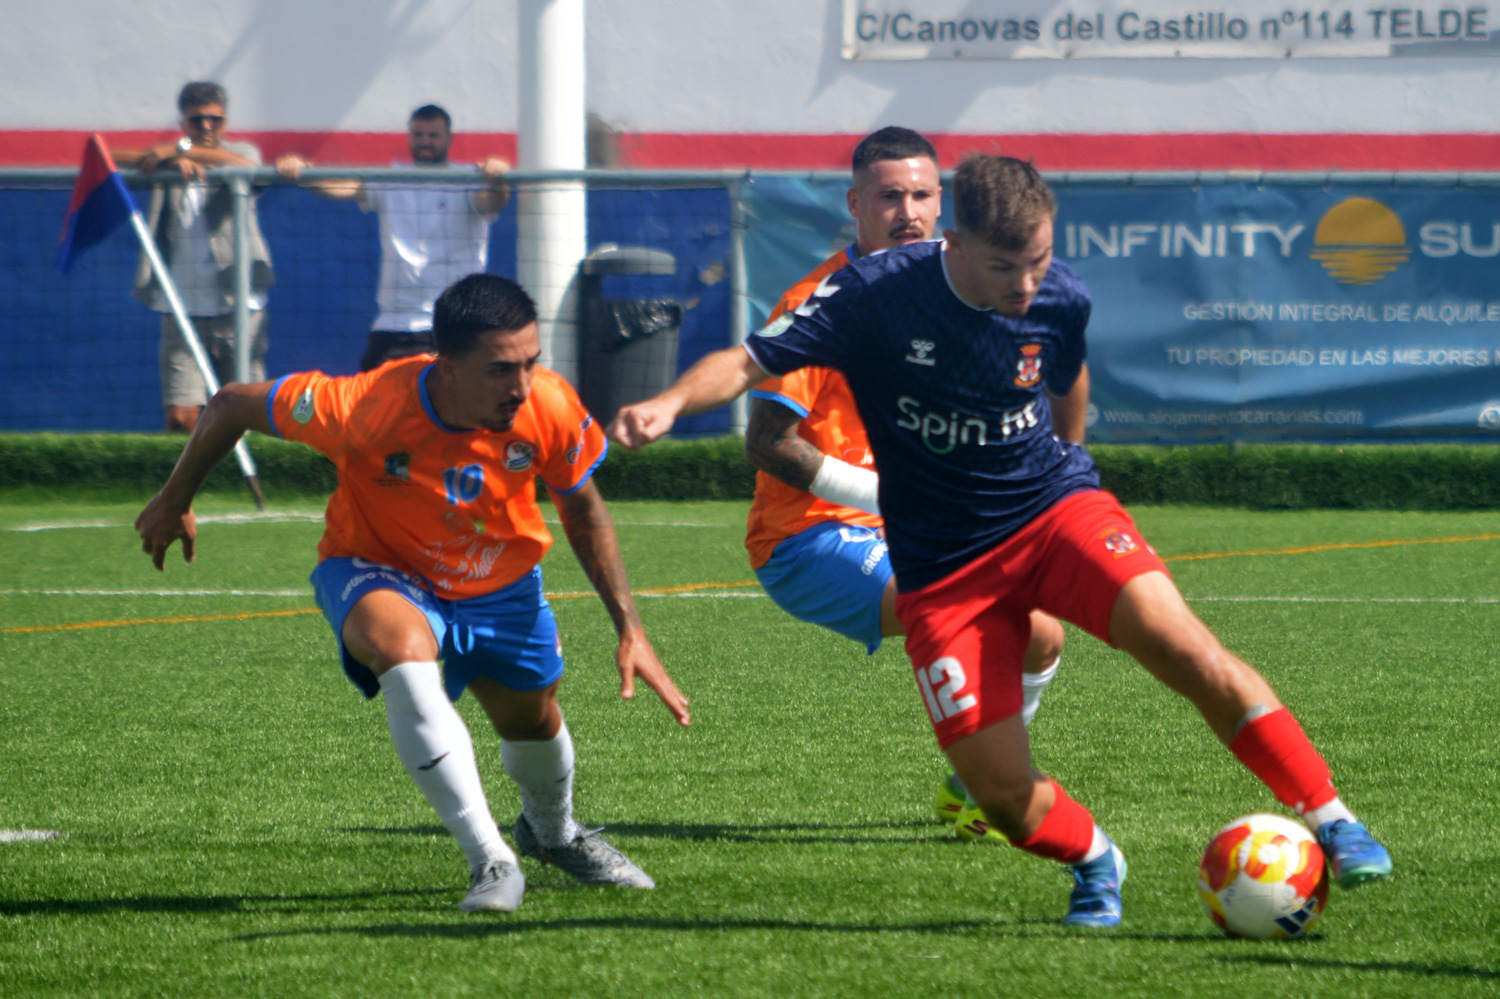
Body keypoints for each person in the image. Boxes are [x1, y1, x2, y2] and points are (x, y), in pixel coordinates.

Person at [609, 155, 1391, 928]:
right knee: (1003, 799)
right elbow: (745, 361)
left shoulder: (1059, 294)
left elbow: (1066, 372)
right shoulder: (868, 295)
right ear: (952, 243)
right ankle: (1096, 859)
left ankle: (1331, 815)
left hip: (1052, 513)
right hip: (943, 566)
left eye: (1039, 261)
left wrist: (1073, 465)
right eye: (1004, 267)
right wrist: (671, 402)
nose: (1026, 286)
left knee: (1184, 646)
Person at [136, 273, 691, 914]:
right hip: (378, 567)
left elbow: (585, 510)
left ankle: (554, 834)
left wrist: (631, 627)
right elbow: (232, 401)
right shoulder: (362, 404)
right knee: (401, 653)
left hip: (501, 584)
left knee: (532, 723)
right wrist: (173, 499)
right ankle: (491, 860)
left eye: (532, 363)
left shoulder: (550, 406)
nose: (521, 386)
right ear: (445, 365)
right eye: (500, 369)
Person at [744, 128, 1078, 829]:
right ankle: (996, 783)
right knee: (988, 617)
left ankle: (969, 782)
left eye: (923, 195)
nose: (909, 212)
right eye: (890, 196)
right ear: (857, 204)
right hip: (809, 537)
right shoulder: (820, 298)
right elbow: (769, 444)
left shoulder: (962, 288)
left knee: (1044, 630)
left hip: (927, 527)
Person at [275, 105, 510, 371]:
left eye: (433, 135)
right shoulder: (392, 177)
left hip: (456, 325)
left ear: (449, 139)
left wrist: (499, 179)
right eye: (418, 134)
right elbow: (345, 188)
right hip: (395, 325)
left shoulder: (468, 181)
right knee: (371, 407)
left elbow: (492, 202)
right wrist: (304, 173)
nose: (425, 141)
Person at [122, 81, 274, 432]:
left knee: (245, 411)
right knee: (180, 415)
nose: (206, 126)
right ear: (183, 122)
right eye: (196, 120)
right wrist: (172, 157)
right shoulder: (168, 161)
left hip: (240, 306)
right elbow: (112, 156)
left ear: (225, 122)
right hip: (181, 308)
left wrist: (180, 150)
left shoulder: (242, 151)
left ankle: (237, 482)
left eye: (214, 119)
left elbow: (247, 169)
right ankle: (186, 485)